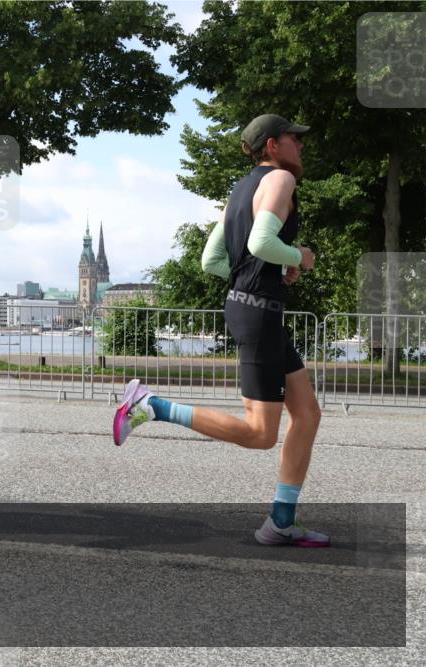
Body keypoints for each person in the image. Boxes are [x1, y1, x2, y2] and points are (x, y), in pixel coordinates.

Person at [113, 114, 328, 547]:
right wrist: (298, 256)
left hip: (253, 308)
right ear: (272, 145)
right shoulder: (281, 181)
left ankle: (281, 522)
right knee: (260, 434)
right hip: (259, 314)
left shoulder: (239, 190)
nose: (300, 144)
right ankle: (152, 405)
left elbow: (212, 261)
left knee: (306, 414)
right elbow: (260, 244)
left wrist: (262, 272)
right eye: (293, 137)